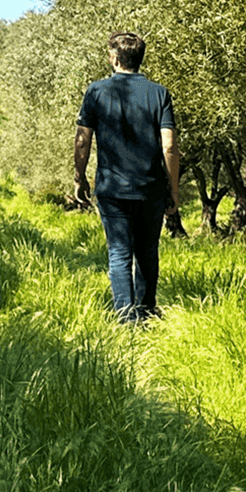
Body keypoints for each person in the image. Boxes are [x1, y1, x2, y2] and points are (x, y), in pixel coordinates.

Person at [72, 30, 181, 323]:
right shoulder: (159, 93)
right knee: (147, 252)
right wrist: (174, 191)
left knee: (119, 254)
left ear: (114, 57)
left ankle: (126, 319)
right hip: (151, 188)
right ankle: (145, 313)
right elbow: (169, 146)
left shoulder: (95, 91)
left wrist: (79, 177)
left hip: (112, 188)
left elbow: (83, 140)